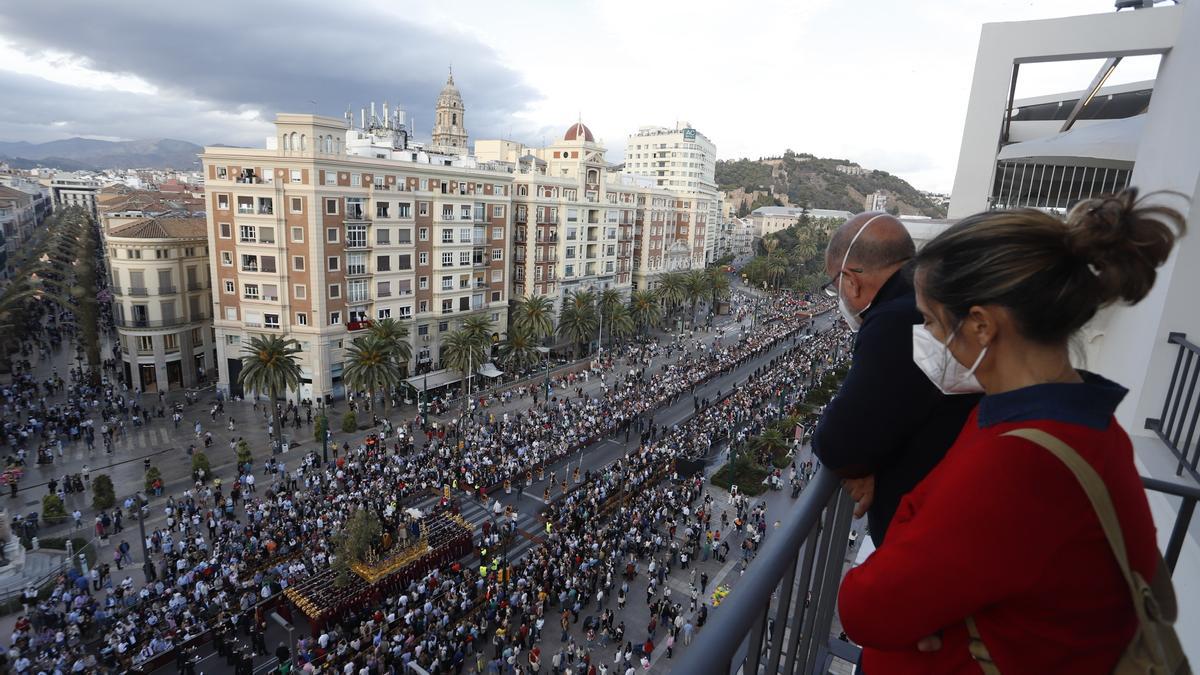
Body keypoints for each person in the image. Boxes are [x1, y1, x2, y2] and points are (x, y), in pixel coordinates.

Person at [839, 190, 1186, 673]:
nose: (930, 338)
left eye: (934, 322)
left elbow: (863, 608)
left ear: (981, 326)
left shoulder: (1024, 462)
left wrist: (921, 591)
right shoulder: (1063, 421)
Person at [813, 212, 979, 546]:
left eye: (835, 284)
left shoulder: (895, 319)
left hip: (929, 534)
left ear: (850, 280)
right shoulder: (928, 296)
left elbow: (839, 443)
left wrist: (865, 460)